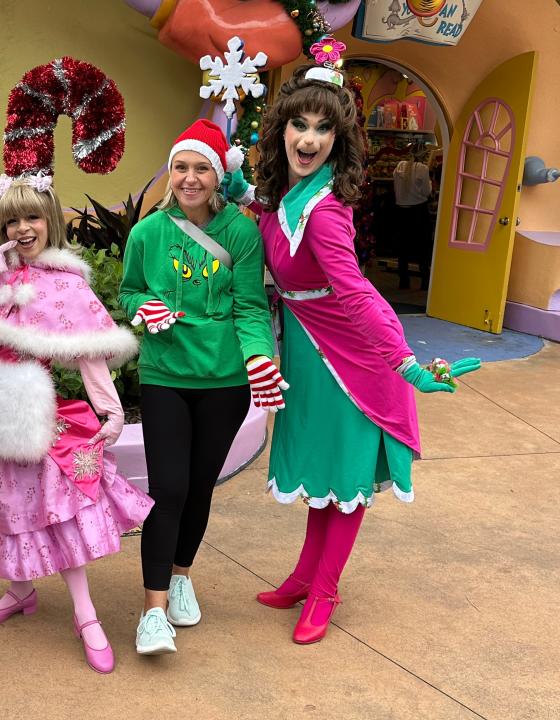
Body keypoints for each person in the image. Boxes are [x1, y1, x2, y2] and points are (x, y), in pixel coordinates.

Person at [243, 48, 480, 644]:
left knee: (345, 476)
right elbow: (261, 207)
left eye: (325, 128)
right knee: (323, 470)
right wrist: (230, 183)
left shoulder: (323, 211)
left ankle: (324, 589)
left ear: (339, 139)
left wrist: (403, 363)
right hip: (309, 347)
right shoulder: (284, 196)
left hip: (349, 359)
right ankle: (304, 575)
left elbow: (356, 293)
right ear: (282, 130)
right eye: (300, 123)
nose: (310, 138)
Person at [0, 178, 152, 674]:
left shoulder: (67, 284)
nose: (22, 228)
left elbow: (89, 351)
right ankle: (21, 590)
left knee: (55, 511)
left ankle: (86, 616)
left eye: (32, 217)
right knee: (5, 508)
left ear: (50, 221)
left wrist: (110, 409)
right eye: (12, 219)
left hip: (32, 416)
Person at [119, 119, 284, 656]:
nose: (190, 178)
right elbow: (129, 291)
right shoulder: (147, 233)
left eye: (202, 168)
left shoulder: (240, 231)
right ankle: (153, 612)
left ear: (219, 175)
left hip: (226, 381)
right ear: (171, 173)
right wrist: (141, 309)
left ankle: (183, 574)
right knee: (168, 489)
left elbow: (251, 306)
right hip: (166, 376)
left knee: (198, 486)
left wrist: (260, 357)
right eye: (181, 167)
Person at [393, 146, 434, 290]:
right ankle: (425, 281)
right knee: (423, 246)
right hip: (418, 210)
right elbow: (426, 192)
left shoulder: (399, 166)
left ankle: (403, 281)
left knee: (403, 247)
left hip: (401, 211)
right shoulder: (422, 168)